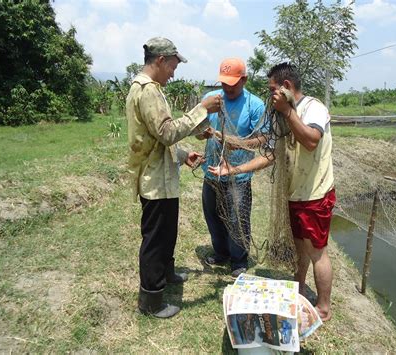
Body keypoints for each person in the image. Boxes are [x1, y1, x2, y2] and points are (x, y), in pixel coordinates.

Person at [209, 63, 336, 321]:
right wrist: (232, 169)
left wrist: (287, 111)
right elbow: (270, 155)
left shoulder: (313, 108)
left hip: (315, 194)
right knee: (300, 247)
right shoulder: (283, 115)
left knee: (316, 252)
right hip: (295, 193)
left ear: (286, 87)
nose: (270, 96)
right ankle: (298, 289)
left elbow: (311, 141)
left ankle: (323, 307)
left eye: (272, 90)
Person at [126, 37, 221, 318]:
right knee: (155, 239)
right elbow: (166, 131)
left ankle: (166, 274)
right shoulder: (147, 91)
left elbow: (157, 138)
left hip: (163, 177)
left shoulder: (150, 88)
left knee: (167, 233)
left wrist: (181, 155)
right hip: (154, 182)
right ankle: (151, 300)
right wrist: (202, 108)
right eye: (173, 66)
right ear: (160, 60)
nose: (174, 72)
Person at [199, 58, 265, 278]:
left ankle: (238, 259)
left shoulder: (255, 104)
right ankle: (221, 253)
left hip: (238, 173)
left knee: (238, 219)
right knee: (212, 215)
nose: (228, 88)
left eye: (233, 83)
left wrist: (239, 143)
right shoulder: (211, 99)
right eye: (224, 83)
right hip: (212, 169)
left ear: (244, 80)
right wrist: (203, 133)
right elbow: (198, 129)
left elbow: (263, 137)